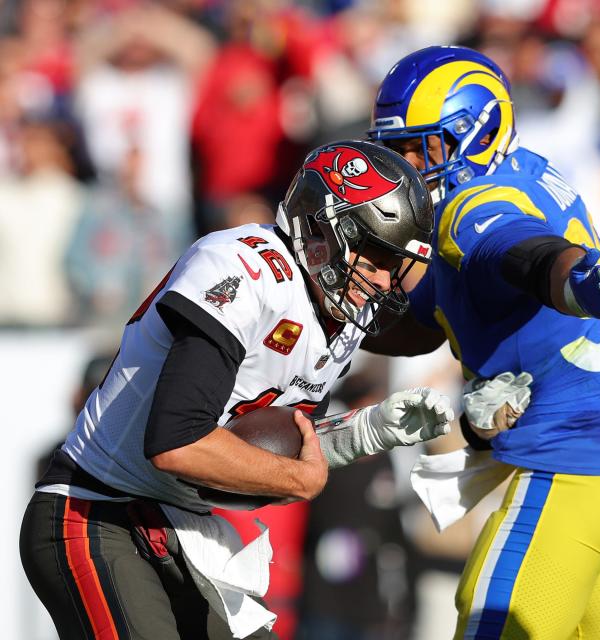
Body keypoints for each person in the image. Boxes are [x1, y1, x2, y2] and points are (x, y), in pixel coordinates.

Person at [20, 140, 456, 640]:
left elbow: (269, 448)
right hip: (95, 512)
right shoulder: (243, 270)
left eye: (392, 262)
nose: (381, 279)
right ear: (318, 228)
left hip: (184, 528)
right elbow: (177, 443)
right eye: (373, 254)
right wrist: (301, 482)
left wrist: (363, 433)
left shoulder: (340, 318)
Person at [365, 45, 600, 639]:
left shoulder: (470, 205)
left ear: (476, 131)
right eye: (396, 148)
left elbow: (522, 252)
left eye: (421, 146)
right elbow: (434, 318)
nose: (405, 165)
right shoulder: (529, 167)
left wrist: (571, 281)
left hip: (577, 471)